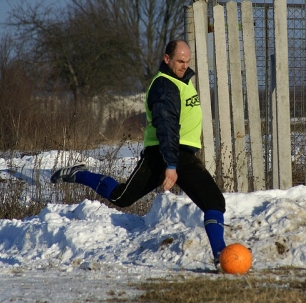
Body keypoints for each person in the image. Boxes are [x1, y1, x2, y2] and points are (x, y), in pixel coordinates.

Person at [51, 39, 226, 270]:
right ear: (167, 59)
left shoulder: (182, 81)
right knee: (123, 198)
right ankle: (80, 174)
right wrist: (171, 165)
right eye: (180, 61)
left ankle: (221, 255)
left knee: (212, 202)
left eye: (187, 61)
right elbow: (166, 126)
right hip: (165, 154)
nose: (185, 65)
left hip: (177, 153)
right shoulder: (164, 86)